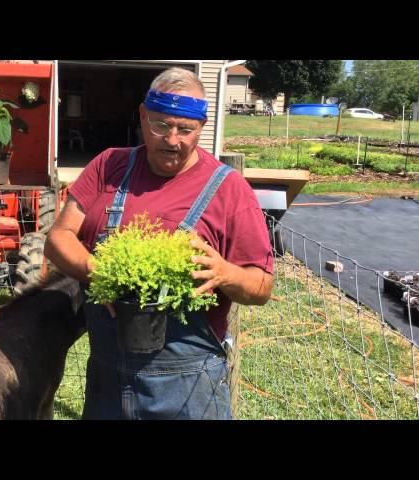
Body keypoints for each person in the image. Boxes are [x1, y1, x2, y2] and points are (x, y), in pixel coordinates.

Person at [44, 67, 274, 420]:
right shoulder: (108, 166)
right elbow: (58, 238)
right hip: (107, 384)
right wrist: (99, 273)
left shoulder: (229, 190)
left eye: (186, 129)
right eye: (161, 125)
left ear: (202, 126)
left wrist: (225, 274)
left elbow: (261, 286)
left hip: (189, 392)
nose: (173, 140)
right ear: (141, 115)